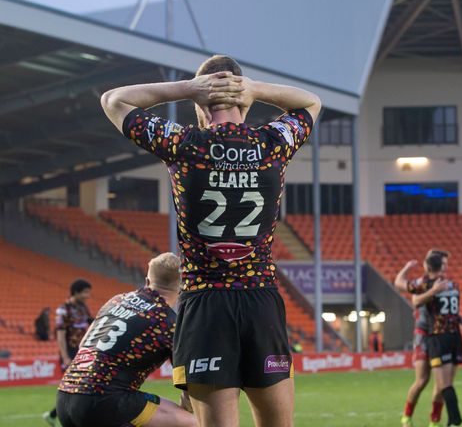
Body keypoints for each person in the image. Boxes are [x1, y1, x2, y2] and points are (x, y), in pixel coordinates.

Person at [101, 55, 321, 427]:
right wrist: (256, 89)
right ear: (245, 101)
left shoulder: (183, 143)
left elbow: (113, 100)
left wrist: (187, 89)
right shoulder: (272, 143)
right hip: (260, 301)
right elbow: (311, 102)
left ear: (199, 105)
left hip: (205, 305)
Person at [56, 253, 196, 427]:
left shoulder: (116, 300)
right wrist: (186, 408)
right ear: (181, 287)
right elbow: (189, 381)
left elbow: (85, 341)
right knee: (192, 423)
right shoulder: (169, 323)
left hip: (65, 397)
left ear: (147, 281)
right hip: (104, 401)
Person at [393, 251, 450, 427]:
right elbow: (413, 297)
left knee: (440, 383)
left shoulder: (446, 284)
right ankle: (406, 416)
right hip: (423, 335)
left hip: (439, 335)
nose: (446, 267)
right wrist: (407, 268)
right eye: (444, 263)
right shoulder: (422, 283)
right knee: (422, 380)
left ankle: (435, 420)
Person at [410, 251, 462, 427]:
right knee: (446, 383)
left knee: (443, 384)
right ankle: (451, 421)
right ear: (441, 266)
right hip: (455, 336)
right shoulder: (453, 284)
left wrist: (432, 291)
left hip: (438, 337)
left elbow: (416, 301)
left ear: (427, 267)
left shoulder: (427, 285)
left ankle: (455, 420)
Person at [44, 279, 93, 426]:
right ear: (76, 292)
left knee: (81, 388)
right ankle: (63, 417)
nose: (87, 296)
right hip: (70, 353)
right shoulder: (63, 310)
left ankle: (53, 415)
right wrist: (65, 356)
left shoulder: (83, 308)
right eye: (85, 292)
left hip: (82, 351)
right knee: (76, 388)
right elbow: (60, 334)